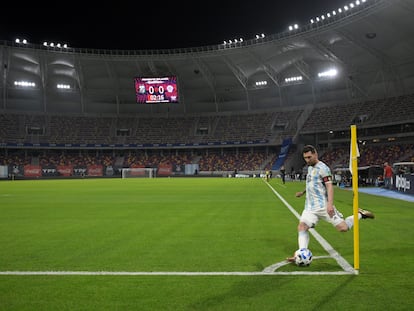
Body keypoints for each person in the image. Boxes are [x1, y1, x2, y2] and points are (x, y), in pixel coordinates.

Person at [287, 145, 375, 263]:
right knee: (302, 227)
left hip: (324, 206)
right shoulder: (309, 168)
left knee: (343, 228)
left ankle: (360, 214)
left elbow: (329, 186)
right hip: (310, 208)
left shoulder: (323, 168)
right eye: (305, 158)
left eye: (309, 157)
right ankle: (301, 254)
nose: (307, 160)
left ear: (315, 154)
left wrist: (330, 204)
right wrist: (302, 192)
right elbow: (311, 183)